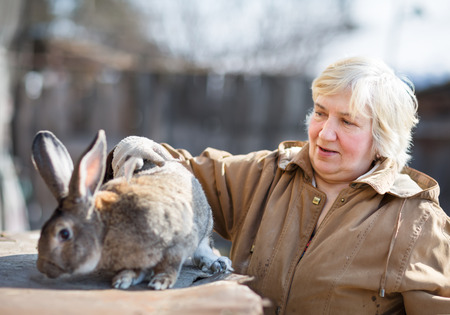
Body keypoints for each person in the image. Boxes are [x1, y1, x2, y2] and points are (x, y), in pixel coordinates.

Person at [110, 56, 450, 314]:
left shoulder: (417, 224)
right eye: (320, 112)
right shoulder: (266, 175)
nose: (324, 132)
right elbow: (187, 177)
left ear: (382, 140)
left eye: (347, 121)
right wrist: (147, 152)